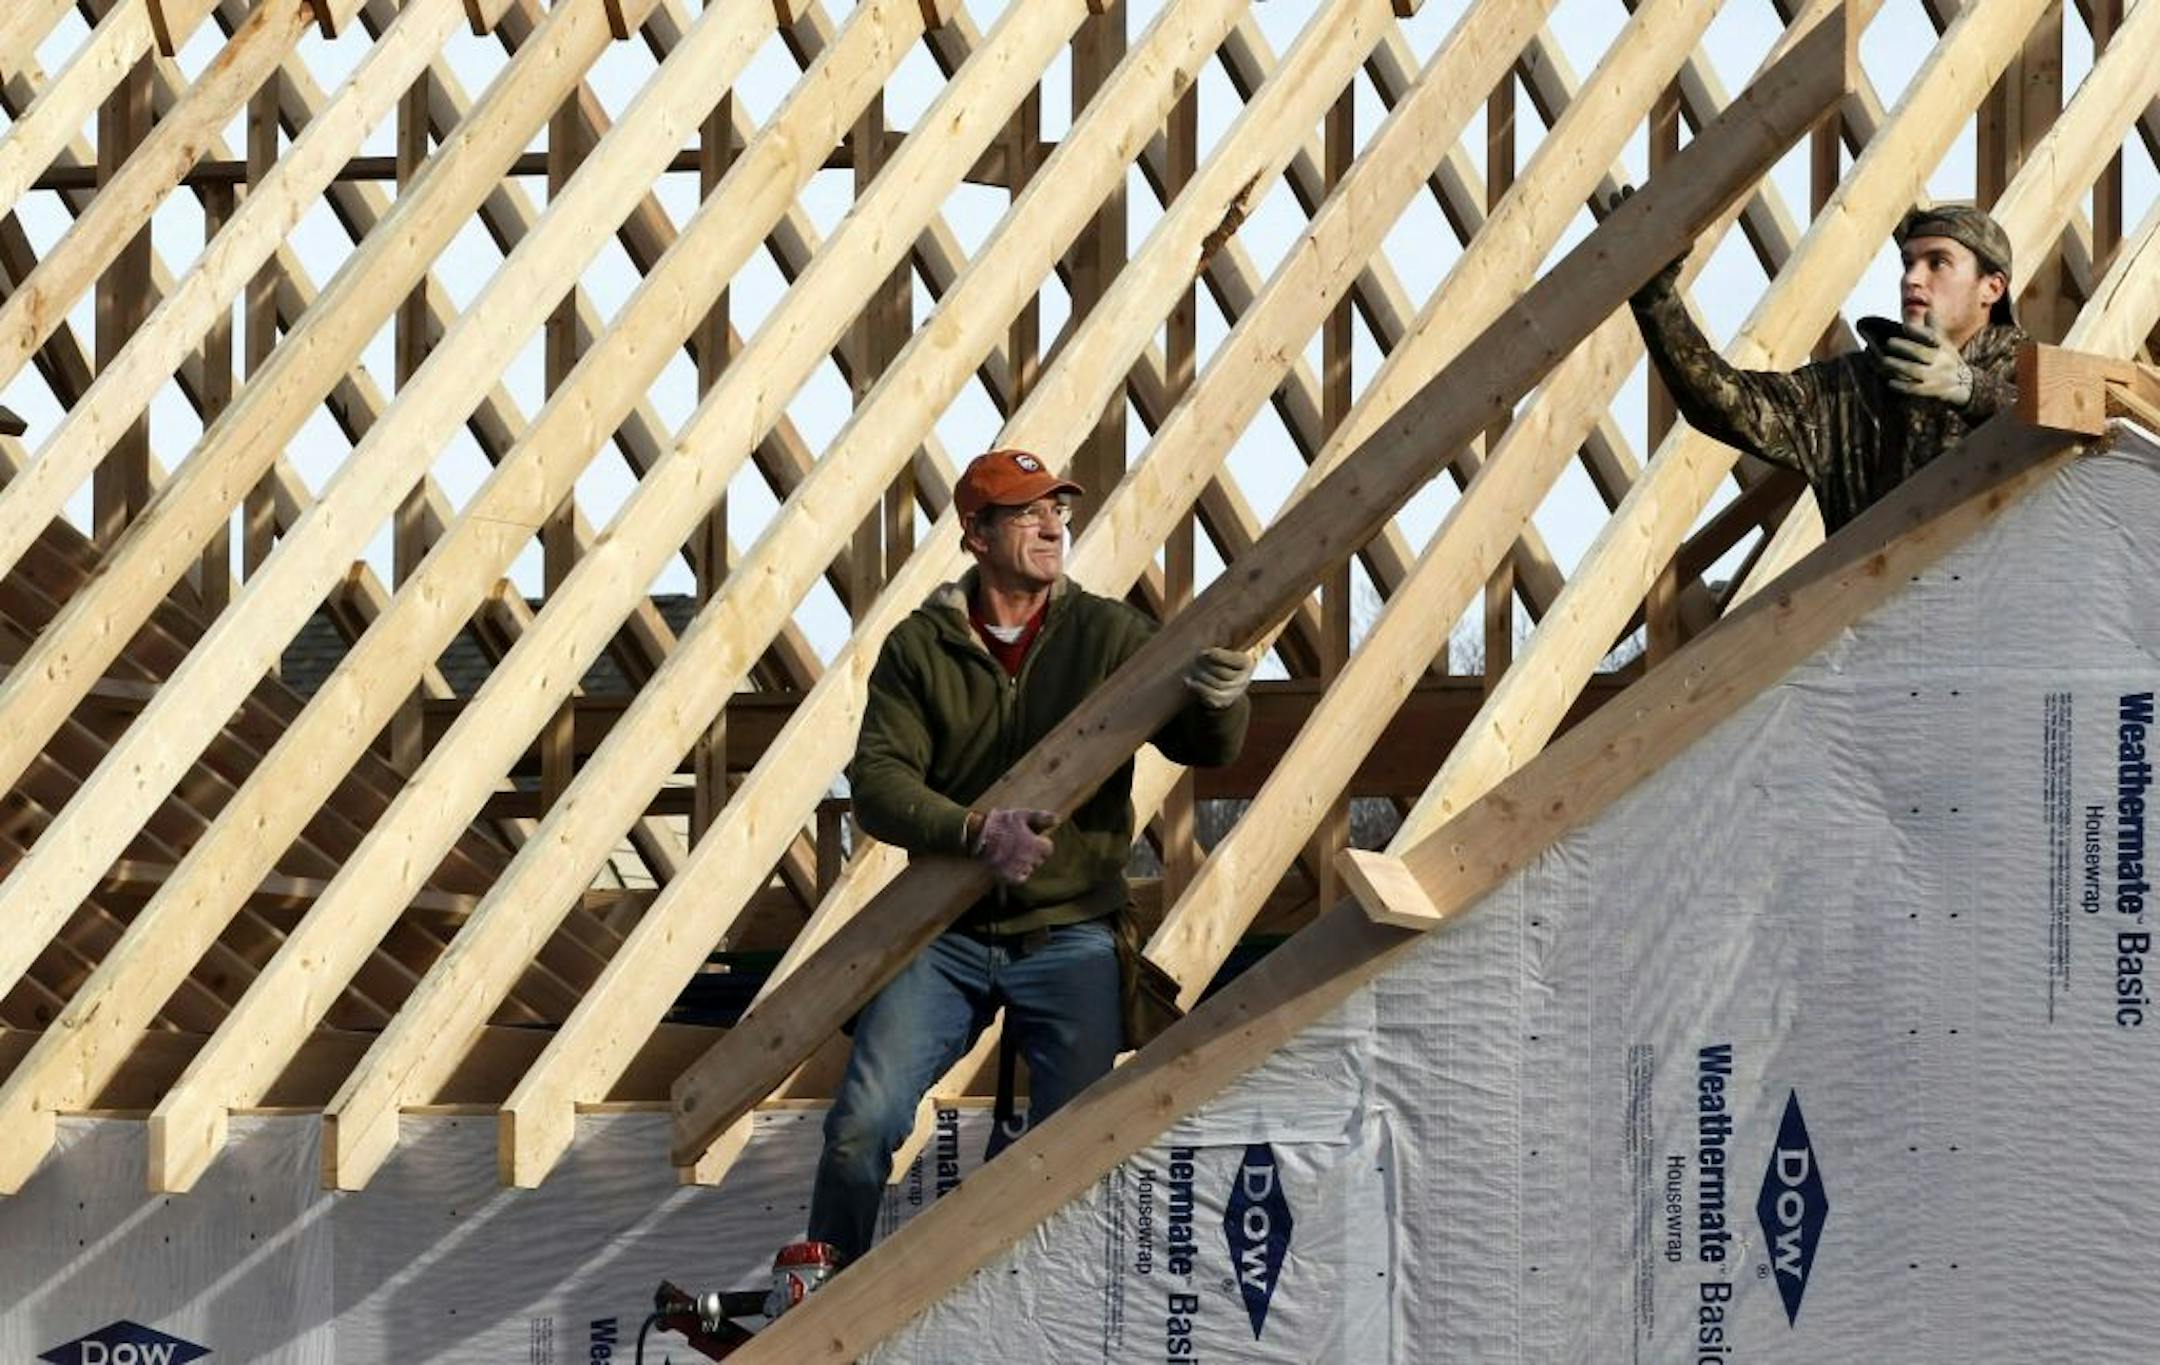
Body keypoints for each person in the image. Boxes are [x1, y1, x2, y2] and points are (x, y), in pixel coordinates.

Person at [801, 447, 1254, 1271]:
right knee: (861, 1123)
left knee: (1071, 1147)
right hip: (946, 929)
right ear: (976, 535)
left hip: (1071, 929)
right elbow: (879, 785)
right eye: (1028, 513)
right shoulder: (921, 647)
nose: (1052, 527)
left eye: (1058, 511)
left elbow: (1202, 744)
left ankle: (1034, 1310)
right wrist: (976, 832)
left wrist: (1223, 701)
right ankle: (819, 1288)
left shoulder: (1107, 633)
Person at [1627, 201, 2028, 532]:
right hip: (1875, 604)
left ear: (1992, 287)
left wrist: (1972, 391)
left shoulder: (2033, 375)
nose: (1912, 278)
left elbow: (2067, 429)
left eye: (1937, 263)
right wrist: (1656, 301)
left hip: (2008, 603)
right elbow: (1725, 402)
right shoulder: (1851, 389)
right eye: (1908, 263)